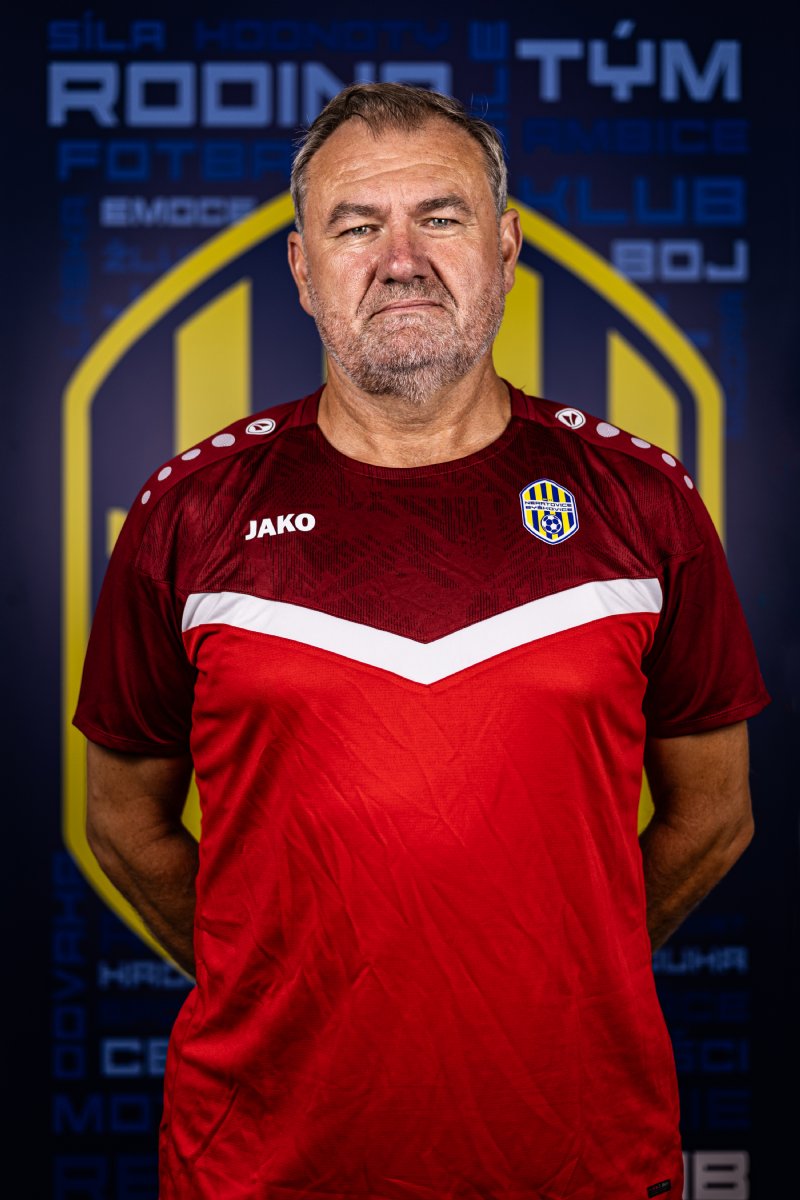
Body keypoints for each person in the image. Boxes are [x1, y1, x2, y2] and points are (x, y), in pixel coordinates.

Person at [74, 83, 770, 1200]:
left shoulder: (639, 499)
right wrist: (274, 981)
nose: (400, 259)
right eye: (356, 226)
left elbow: (715, 814)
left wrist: (561, 973)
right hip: (262, 1165)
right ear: (302, 268)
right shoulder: (189, 512)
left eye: (440, 218)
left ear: (506, 249)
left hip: (574, 1153)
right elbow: (122, 821)